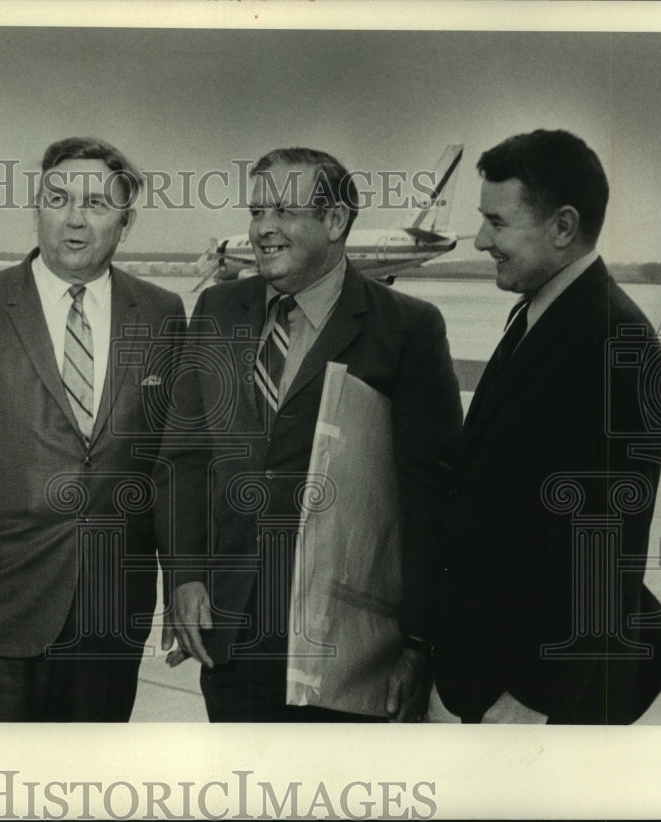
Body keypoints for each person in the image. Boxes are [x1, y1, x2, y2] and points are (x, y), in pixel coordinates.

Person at [162, 147, 462, 722]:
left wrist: (420, 645)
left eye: (283, 211)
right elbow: (183, 459)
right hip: (230, 637)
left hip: (349, 648)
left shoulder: (408, 328)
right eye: (256, 212)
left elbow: (433, 501)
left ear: (335, 221)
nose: (262, 229)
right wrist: (184, 576)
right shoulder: (217, 310)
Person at [0, 137, 186, 721]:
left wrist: (183, 582)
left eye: (97, 203)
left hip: (109, 621)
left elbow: (169, 469)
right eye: (58, 197)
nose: (75, 218)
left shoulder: (162, 315)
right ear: (37, 207)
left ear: (126, 223)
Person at [434, 129, 661, 724]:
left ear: (563, 227)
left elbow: (602, 543)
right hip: (488, 673)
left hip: (531, 698)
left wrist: (534, 698)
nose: (482, 240)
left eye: (498, 222)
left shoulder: (613, 339)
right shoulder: (544, 312)